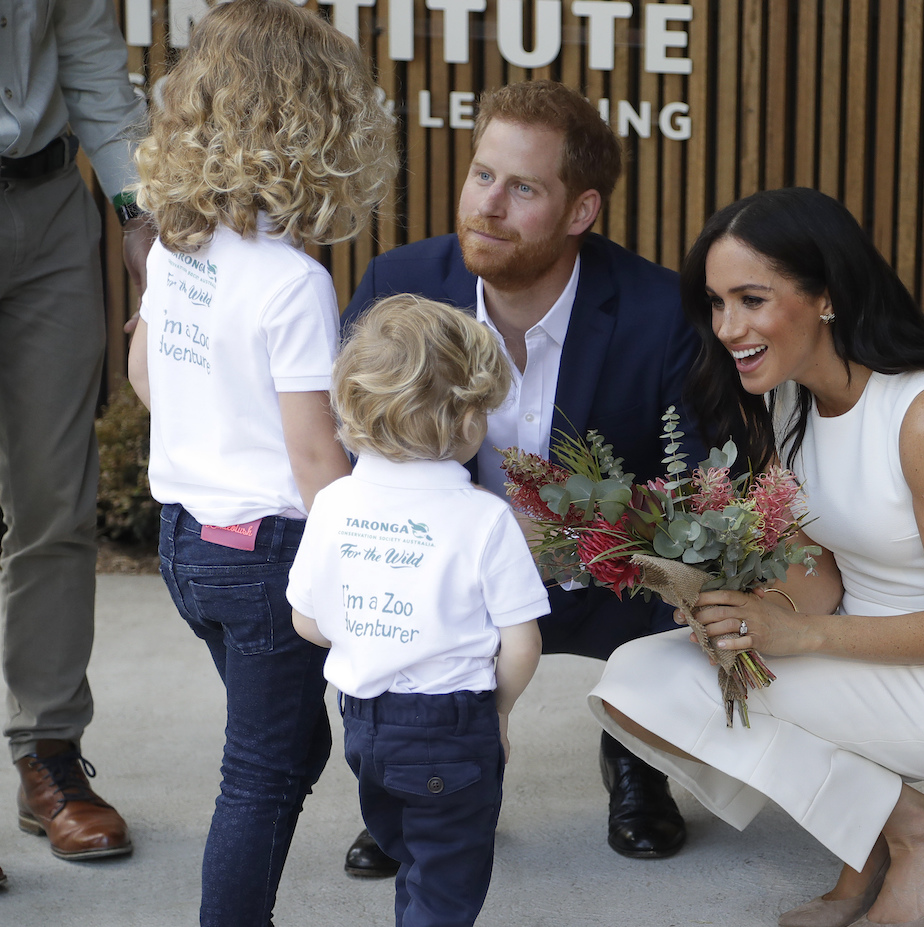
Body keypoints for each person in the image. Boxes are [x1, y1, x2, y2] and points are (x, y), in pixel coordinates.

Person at [590, 187, 924, 927]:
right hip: (870, 654)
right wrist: (736, 610)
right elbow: (820, 576)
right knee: (638, 679)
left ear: (827, 298)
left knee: (661, 687)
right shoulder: (792, 403)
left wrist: (797, 635)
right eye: (716, 303)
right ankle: (888, 834)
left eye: (752, 299)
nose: (728, 327)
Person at [339, 79, 709, 873]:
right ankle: (419, 785)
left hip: (610, 568)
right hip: (452, 570)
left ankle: (638, 760)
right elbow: (355, 457)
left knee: (693, 570)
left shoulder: (657, 310)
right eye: (482, 175)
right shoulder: (399, 287)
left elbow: (696, 481)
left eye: (523, 188)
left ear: (581, 211)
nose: (487, 206)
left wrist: (612, 537)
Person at [125, 1, 396, 922]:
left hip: (185, 548)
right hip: (269, 556)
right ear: (321, 126)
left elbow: (147, 379)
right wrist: (373, 558)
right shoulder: (293, 282)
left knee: (280, 741)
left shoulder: (178, 244)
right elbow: (318, 463)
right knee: (262, 773)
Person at [289, 295, 547, 927]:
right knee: (448, 875)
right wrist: (499, 713)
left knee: (405, 842)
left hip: (366, 725)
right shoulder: (485, 519)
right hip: (454, 724)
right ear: (468, 423)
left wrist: (368, 635)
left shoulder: (334, 504)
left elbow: (307, 621)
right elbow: (522, 645)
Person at [1, 0, 156, 874]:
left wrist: (137, 213)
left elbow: (90, 55)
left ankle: (49, 751)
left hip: (53, 204)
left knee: (57, 498)